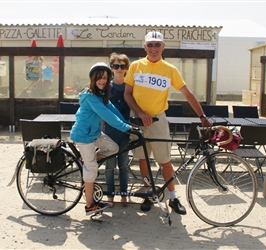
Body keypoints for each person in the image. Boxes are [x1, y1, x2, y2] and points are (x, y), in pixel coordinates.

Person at [124, 31, 212, 215]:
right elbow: (127, 93)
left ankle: (172, 198)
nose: (154, 48)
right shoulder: (135, 66)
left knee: (165, 162)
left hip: (158, 119)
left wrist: (202, 116)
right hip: (138, 120)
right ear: (145, 47)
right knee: (143, 159)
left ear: (163, 47)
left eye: (157, 44)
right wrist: (140, 113)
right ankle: (149, 194)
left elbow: (187, 93)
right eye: (150, 45)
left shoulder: (170, 69)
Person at [70, 62, 132, 215]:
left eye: (105, 77)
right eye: (99, 78)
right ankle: (90, 205)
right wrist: (125, 128)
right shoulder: (89, 96)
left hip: (95, 134)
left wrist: (127, 123)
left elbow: (111, 109)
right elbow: (106, 115)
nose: (102, 80)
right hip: (83, 136)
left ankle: (88, 162)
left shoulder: (101, 94)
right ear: (93, 79)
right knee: (91, 169)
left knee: (113, 148)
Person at [104, 53, 131, 208]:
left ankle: (124, 194)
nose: (119, 69)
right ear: (112, 69)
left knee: (124, 166)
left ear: (126, 68)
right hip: (109, 132)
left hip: (125, 133)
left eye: (122, 66)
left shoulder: (130, 87)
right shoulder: (107, 87)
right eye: (116, 66)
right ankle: (110, 196)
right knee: (109, 167)